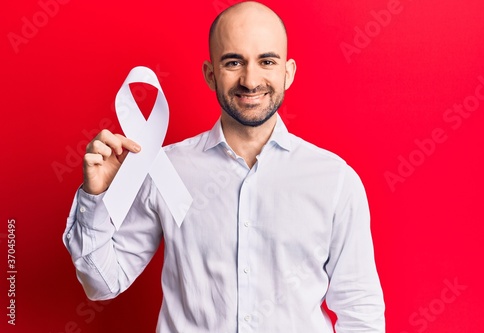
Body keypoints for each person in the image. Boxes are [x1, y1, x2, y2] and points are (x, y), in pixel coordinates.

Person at [63, 1, 385, 332]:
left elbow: (360, 309)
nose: (250, 79)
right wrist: (96, 197)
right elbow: (102, 284)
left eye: (267, 61)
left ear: (287, 73)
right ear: (210, 74)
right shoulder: (165, 170)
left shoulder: (334, 180)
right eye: (234, 62)